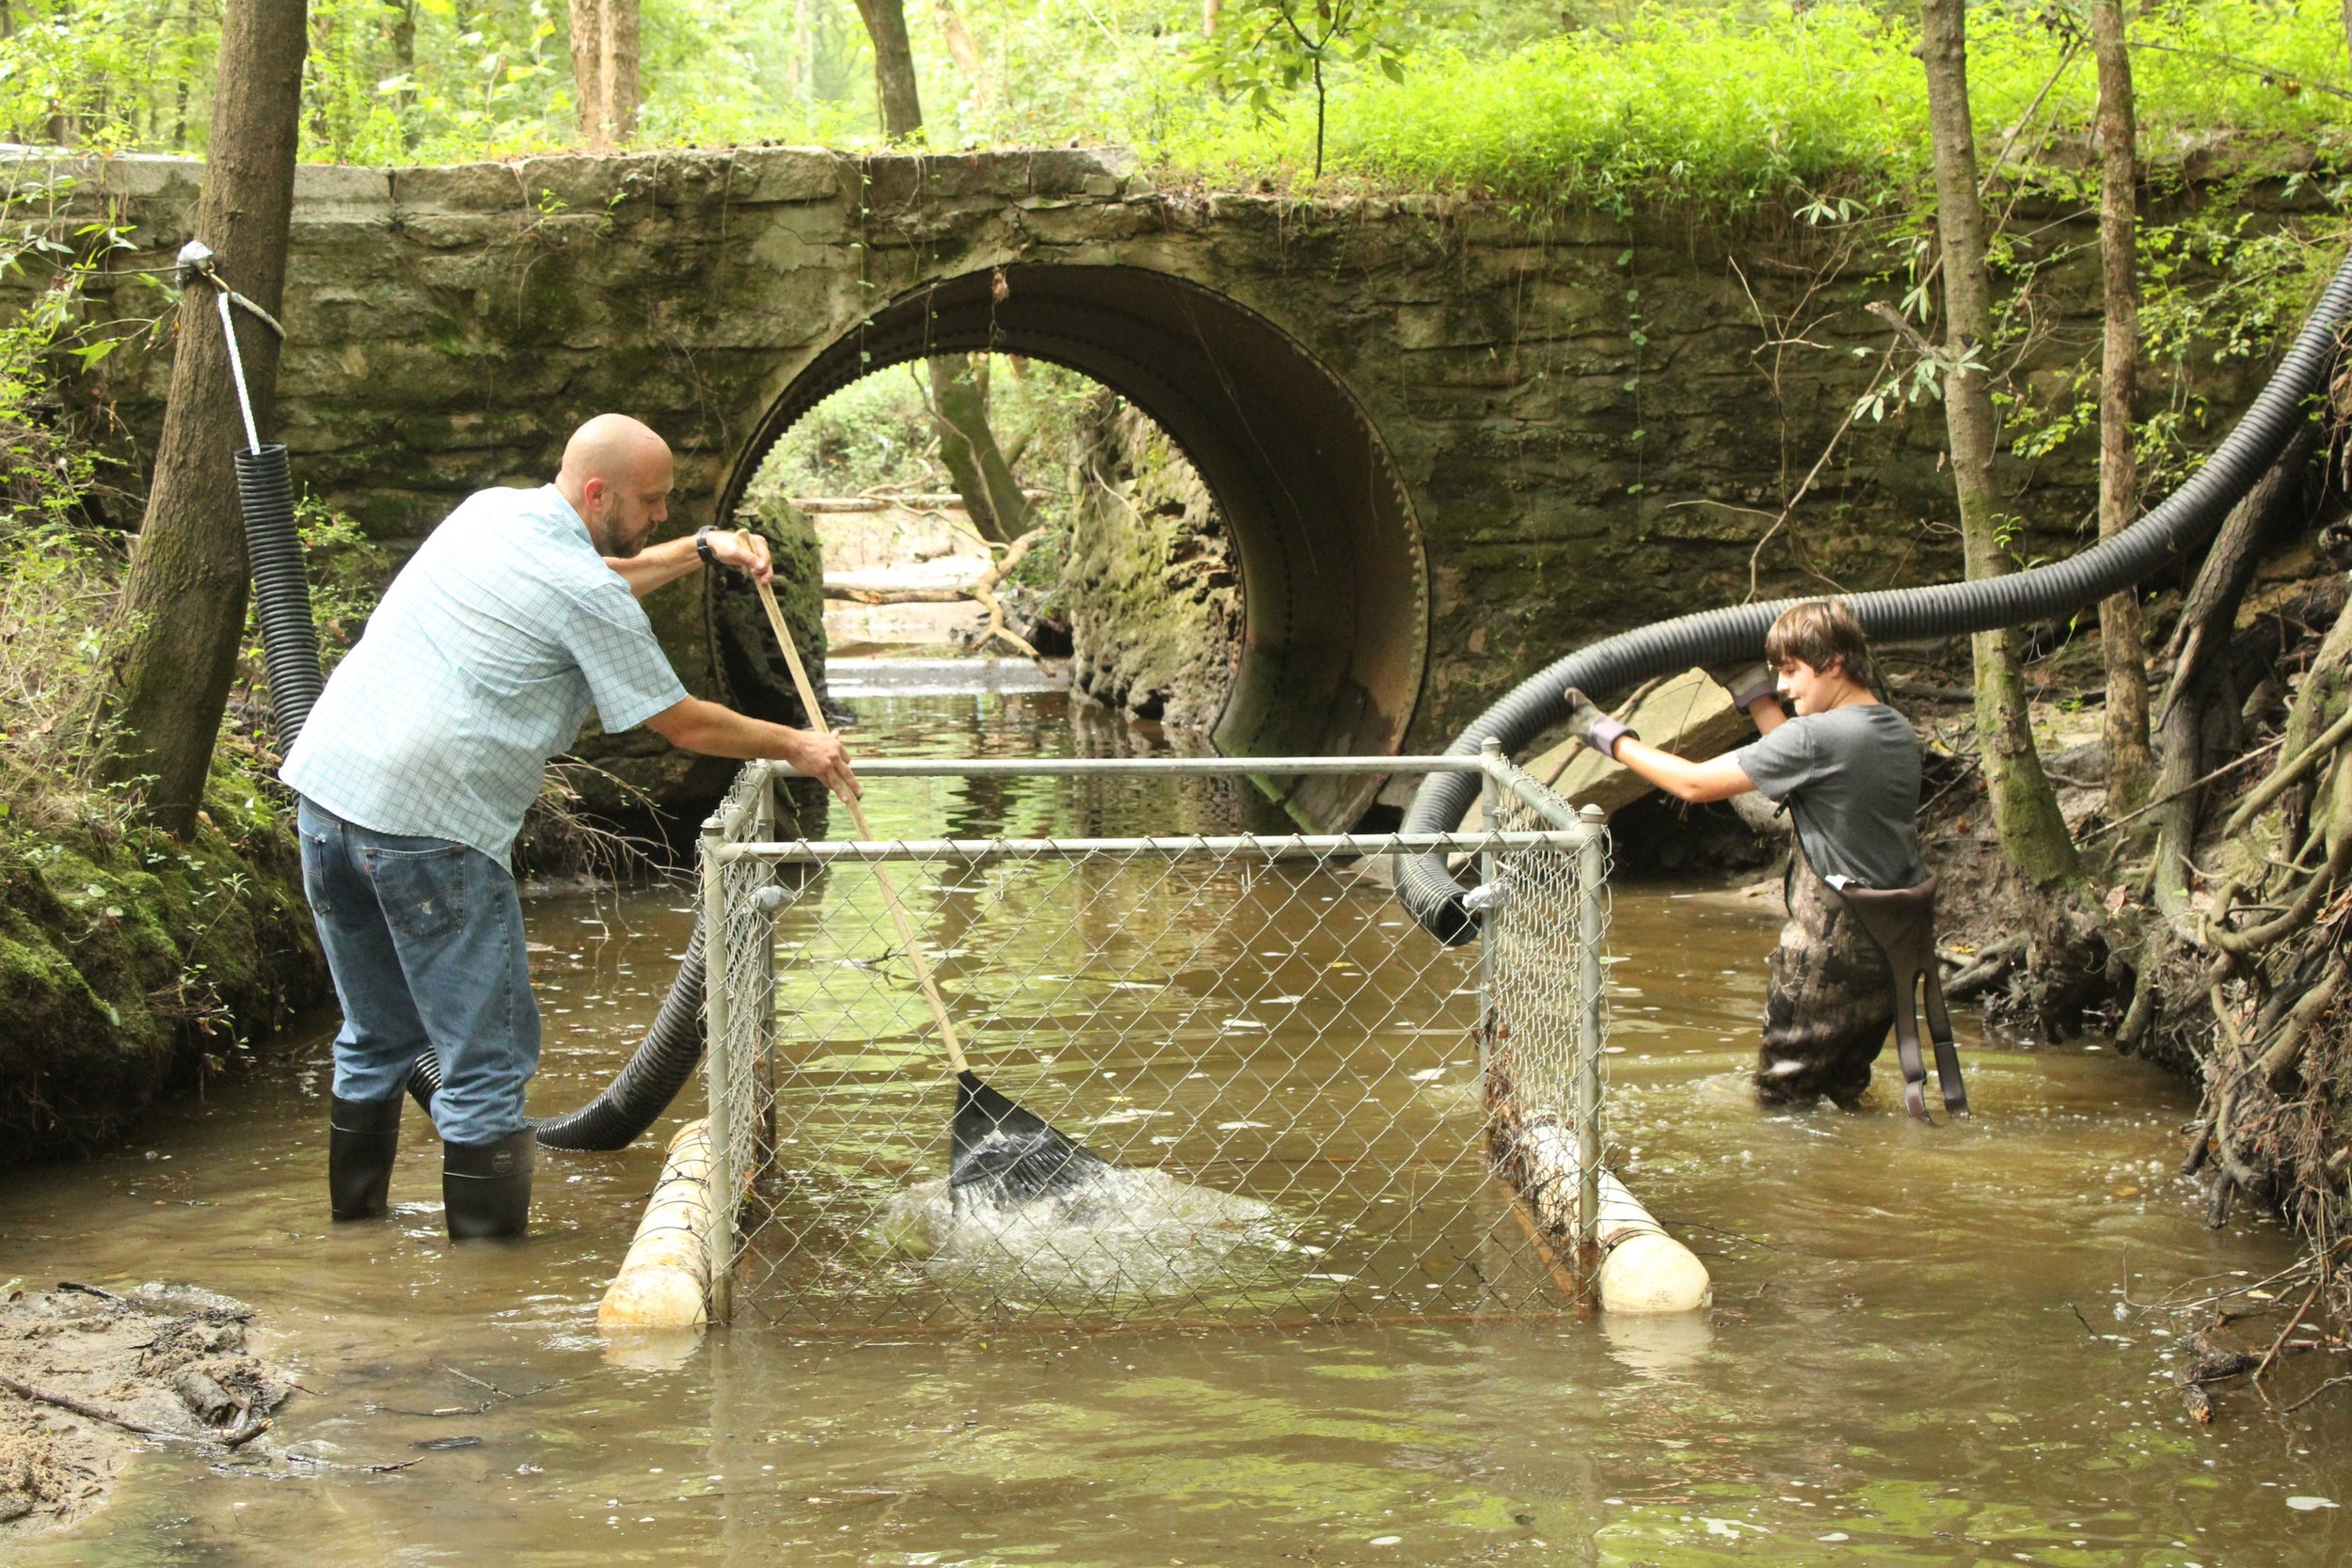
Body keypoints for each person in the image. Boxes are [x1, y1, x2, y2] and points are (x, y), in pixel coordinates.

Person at [281, 414, 857, 1239]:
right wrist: (797, 743)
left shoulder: (491, 513)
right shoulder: (581, 589)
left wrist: (703, 546)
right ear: (598, 493)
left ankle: (355, 1242)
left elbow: (603, 579)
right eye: (653, 501)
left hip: (327, 801)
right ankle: (485, 1288)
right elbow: (679, 722)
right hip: (431, 832)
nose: (664, 514)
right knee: (484, 1070)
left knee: (374, 1037)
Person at [1562, 599, 1928, 1108]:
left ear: (1834, 663)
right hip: (1889, 953)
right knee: (1842, 1096)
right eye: (1775, 675)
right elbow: (1804, 758)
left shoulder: (1817, 738)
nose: (1784, 686)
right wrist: (1753, 694)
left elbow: (1692, 783)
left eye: (1792, 671)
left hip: (1828, 957)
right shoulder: (1892, 729)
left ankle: (1793, 1190)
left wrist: (1608, 737)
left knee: (1781, 1104)